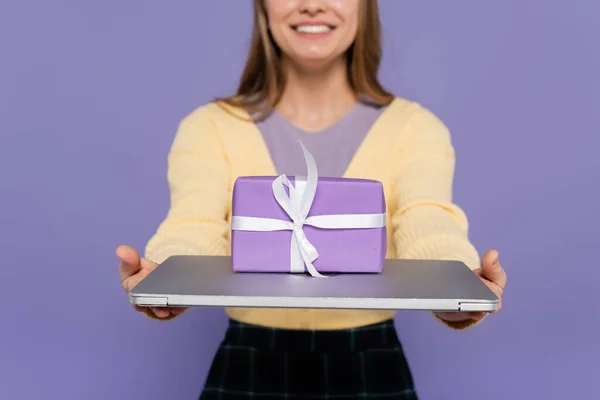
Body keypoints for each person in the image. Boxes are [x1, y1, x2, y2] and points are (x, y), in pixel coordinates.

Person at [117, 0, 507, 398]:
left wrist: (456, 283)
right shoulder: (209, 127)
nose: (312, 5)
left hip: (371, 366)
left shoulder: (415, 128)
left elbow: (427, 220)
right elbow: (195, 223)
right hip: (249, 365)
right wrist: (167, 272)